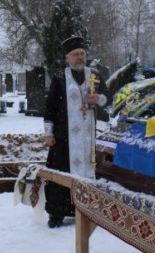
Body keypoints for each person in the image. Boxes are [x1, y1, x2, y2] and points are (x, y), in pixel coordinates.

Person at [43, 36, 108, 228]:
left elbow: (108, 98)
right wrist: (49, 133)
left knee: (89, 172)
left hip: (87, 138)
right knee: (61, 174)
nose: (80, 57)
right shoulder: (59, 77)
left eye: (83, 54)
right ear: (67, 58)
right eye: (76, 54)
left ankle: (87, 209)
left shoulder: (94, 76)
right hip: (64, 137)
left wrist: (100, 99)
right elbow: (50, 107)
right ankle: (57, 212)